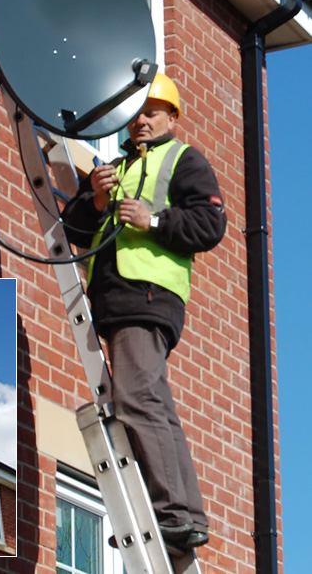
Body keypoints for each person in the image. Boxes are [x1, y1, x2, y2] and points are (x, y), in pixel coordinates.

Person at [62, 72, 227, 550]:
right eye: (135, 114)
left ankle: (169, 512)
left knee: (135, 395)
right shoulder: (115, 167)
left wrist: (152, 220)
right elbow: (75, 228)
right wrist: (95, 198)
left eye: (152, 112)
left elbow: (210, 223)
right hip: (115, 296)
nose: (141, 121)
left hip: (148, 294)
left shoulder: (183, 159)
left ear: (172, 117)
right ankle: (186, 516)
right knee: (153, 400)